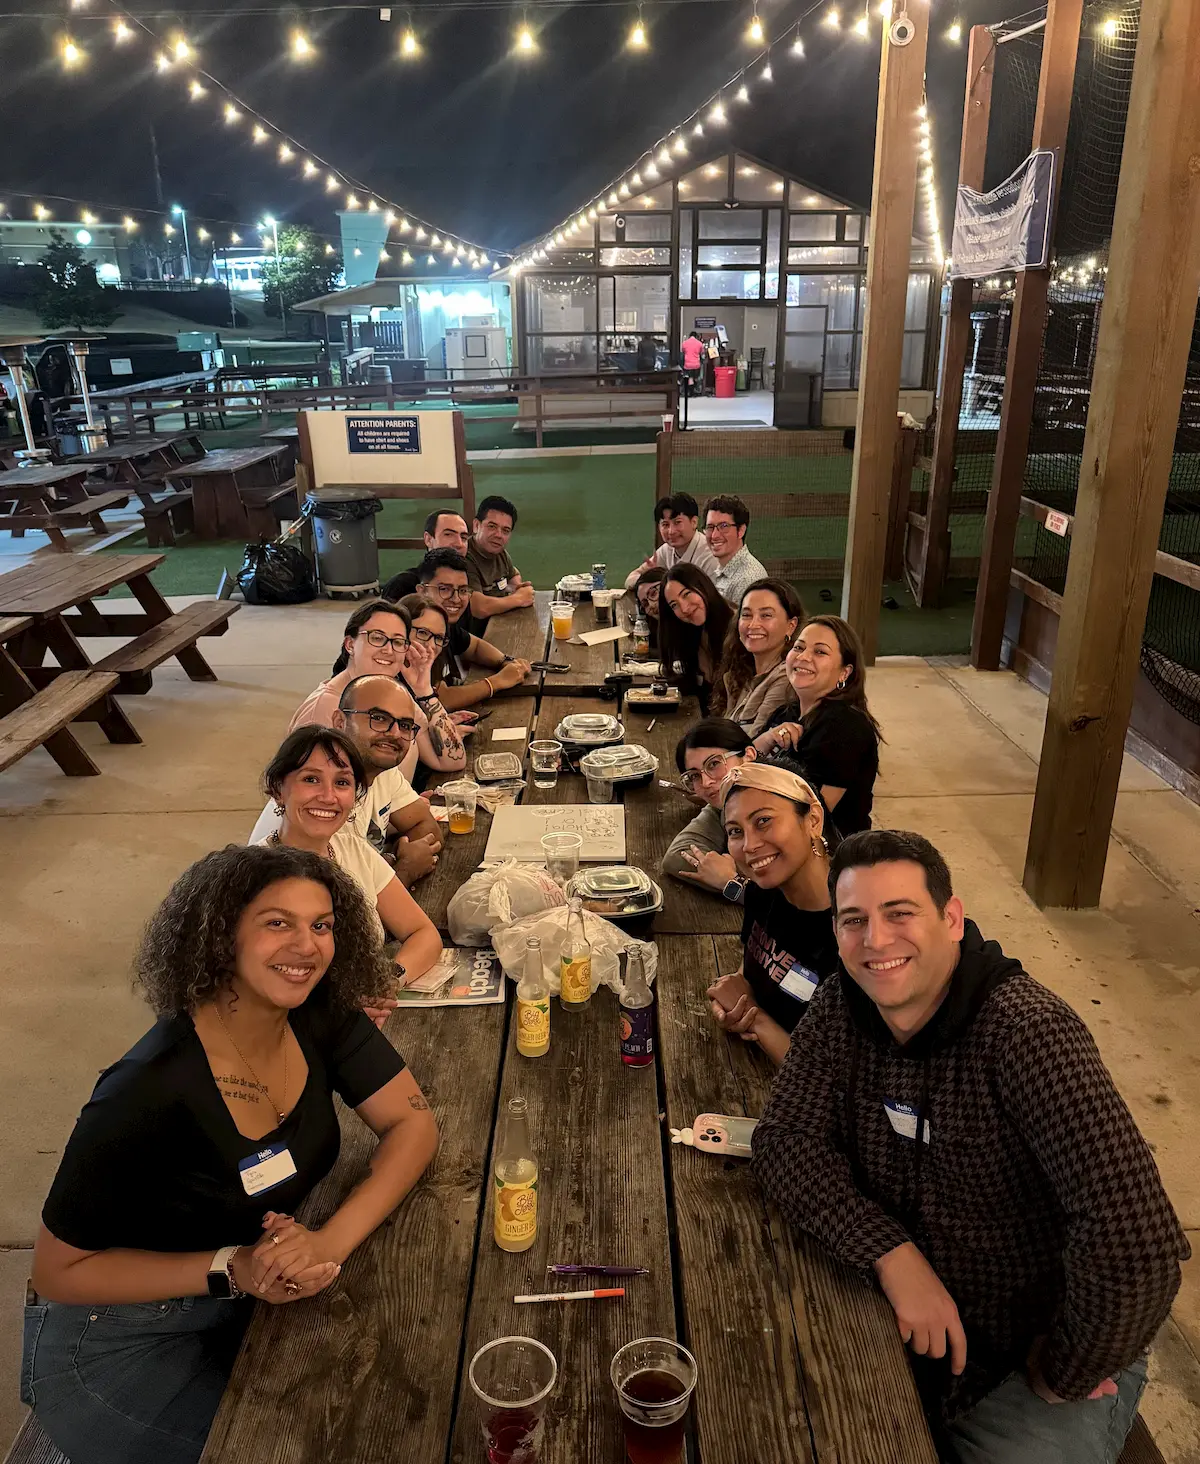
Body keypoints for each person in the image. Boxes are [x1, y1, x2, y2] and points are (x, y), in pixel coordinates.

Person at [752, 829, 1190, 1461]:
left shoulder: (1028, 1036)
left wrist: (1067, 1367)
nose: (876, 941)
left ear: (951, 919)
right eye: (854, 921)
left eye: (900, 914)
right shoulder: (843, 1005)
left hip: (1030, 1352)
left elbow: (1136, 1246)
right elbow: (784, 1141)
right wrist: (892, 1253)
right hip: (896, 1310)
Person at [23, 843, 439, 1464]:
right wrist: (232, 1266)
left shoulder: (315, 1010)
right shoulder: (145, 1091)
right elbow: (56, 1273)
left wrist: (329, 1241)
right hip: (120, 1339)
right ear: (219, 938)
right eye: (278, 923)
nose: (307, 947)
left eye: (321, 925)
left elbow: (413, 1125)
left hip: (248, 1302)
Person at [258, 725, 442, 989]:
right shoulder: (254, 875)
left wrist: (389, 981)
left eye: (342, 782)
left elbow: (423, 934)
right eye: (311, 779)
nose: (328, 796)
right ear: (278, 789)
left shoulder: (353, 850)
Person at [705, 759, 838, 1067]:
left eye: (763, 821)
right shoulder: (762, 893)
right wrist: (734, 1003)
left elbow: (829, 1080)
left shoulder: (856, 932)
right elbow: (749, 974)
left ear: (813, 820)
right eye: (735, 831)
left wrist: (757, 1021)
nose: (749, 845)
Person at [253, 674, 442, 888]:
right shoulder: (320, 808)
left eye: (405, 725)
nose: (395, 733)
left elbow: (426, 828)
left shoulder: (382, 769)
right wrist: (405, 869)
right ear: (340, 722)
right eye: (379, 718)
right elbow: (338, 913)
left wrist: (390, 860)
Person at [290, 600, 466, 784]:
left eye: (398, 642)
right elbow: (309, 794)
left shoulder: (395, 696)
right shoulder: (323, 708)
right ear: (350, 645)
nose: (388, 650)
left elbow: (450, 761)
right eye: (377, 638)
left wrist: (424, 691)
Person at [753, 615, 883, 837]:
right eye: (799, 647)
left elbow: (813, 818)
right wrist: (767, 738)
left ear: (845, 672)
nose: (803, 657)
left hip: (822, 852)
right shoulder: (787, 712)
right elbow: (743, 764)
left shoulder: (846, 728)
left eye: (820, 652)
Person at [415, 548, 532, 712]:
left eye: (462, 590)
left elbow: (475, 647)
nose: (456, 599)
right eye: (444, 589)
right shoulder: (417, 634)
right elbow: (440, 700)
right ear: (422, 591)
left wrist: (507, 662)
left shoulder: (443, 624)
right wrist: (497, 682)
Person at [662, 718, 755, 901]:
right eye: (695, 775)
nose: (706, 783)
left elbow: (795, 905)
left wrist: (731, 881)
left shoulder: (782, 807)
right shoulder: (724, 805)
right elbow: (676, 856)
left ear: (749, 756)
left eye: (714, 764)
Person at [711, 578, 803, 737]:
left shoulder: (786, 678)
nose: (753, 625)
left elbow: (753, 745)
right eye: (746, 615)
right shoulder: (742, 671)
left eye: (766, 615)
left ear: (791, 626)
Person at [658, 563, 733, 708]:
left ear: (703, 586)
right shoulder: (692, 632)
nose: (684, 609)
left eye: (686, 594)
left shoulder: (736, 629)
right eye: (674, 605)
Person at [465, 494, 534, 632]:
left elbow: (513, 575)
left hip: (499, 627)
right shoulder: (466, 556)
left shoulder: (500, 553)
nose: (498, 535)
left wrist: (516, 587)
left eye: (505, 530)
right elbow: (478, 608)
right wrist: (518, 599)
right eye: (492, 526)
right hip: (474, 639)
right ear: (476, 525)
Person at [624, 492, 718, 589]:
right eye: (665, 524)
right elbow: (630, 580)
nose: (671, 531)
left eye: (677, 522)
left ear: (694, 522)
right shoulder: (665, 551)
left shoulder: (709, 555)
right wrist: (649, 579)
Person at [380, 511, 471, 601]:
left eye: (463, 538)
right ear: (428, 539)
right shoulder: (403, 585)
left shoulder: (466, 582)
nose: (459, 544)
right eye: (448, 535)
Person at [703, 495, 768, 607]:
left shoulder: (748, 579)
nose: (714, 535)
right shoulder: (723, 569)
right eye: (710, 527)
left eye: (724, 526)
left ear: (741, 531)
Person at [681, 329, 705, 395]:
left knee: (689, 377)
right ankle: (695, 390)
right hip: (696, 365)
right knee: (696, 377)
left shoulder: (685, 343)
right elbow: (702, 353)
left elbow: (683, 351)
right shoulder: (700, 344)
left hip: (687, 365)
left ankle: (689, 392)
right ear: (696, 336)